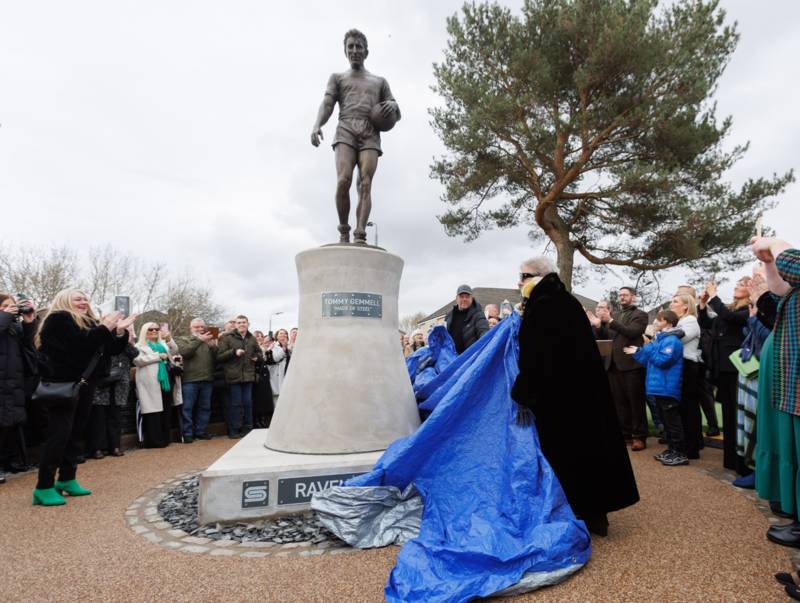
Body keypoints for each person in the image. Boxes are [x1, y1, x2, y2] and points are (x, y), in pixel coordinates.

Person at [511, 257, 639, 536]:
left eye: (523, 275)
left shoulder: (542, 306)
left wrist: (522, 391)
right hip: (584, 391)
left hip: (558, 396)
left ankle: (575, 512)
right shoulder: (566, 301)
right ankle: (597, 513)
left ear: (539, 276)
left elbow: (535, 356)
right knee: (590, 449)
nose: (519, 282)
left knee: (566, 455)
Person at [33, 289, 134, 506]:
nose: (83, 301)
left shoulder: (90, 322)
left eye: (85, 298)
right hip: (63, 383)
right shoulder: (58, 319)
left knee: (76, 432)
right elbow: (80, 346)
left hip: (87, 384)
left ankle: (67, 479)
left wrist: (120, 333)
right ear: (64, 300)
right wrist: (105, 327)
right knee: (59, 433)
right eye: (78, 298)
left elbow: (109, 351)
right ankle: (44, 486)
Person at [311, 29, 401, 244]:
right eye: (350, 46)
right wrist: (317, 124)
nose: (354, 50)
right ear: (345, 51)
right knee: (343, 180)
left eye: (358, 46)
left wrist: (393, 105)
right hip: (346, 129)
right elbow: (327, 104)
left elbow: (396, 112)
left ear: (366, 51)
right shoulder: (338, 78)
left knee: (365, 182)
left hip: (370, 132)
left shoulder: (380, 82)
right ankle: (344, 230)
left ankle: (360, 233)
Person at [698, 277, 751, 472]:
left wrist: (714, 296)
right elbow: (707, 323)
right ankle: (730, 459)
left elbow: (731, 318)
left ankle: (743, 462)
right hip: (722, 369)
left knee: (738, 416)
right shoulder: (728, 308)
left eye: (741, 285)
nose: (736, 286)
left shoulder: (750, 309)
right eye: (736, 284)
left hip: (737, 368)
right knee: (728, 416)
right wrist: (703, 304)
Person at [590, 287, 649, 450]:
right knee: (619, 403)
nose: (622, 297)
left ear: (633, 297)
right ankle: (626, 434)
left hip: (631, 365)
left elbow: (631, 332)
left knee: (635, 402)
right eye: (620, 295)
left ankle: (639, 436)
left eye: (626, 295)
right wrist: (597, 326)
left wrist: (609, 321)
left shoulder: (640, 315)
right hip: (612, 365)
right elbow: (605, 337)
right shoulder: (614, 316)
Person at [627, 310, 687, 466]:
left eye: (658, 320)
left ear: (668, 322)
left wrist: (648, 347)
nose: (655, 323)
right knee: (666, 422)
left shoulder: (672, 341)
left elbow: (663, 361)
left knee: (673, 422)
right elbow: (649, 361)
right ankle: (671, 449)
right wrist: (638, 352)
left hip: (667, 388)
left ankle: (679, 452)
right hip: (658, 387)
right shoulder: (660, 340)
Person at [0, 293, 37, 485]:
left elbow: (29, 345)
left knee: (11, 424)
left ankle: (9, 461)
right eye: (5, 306)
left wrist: (29, 321)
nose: (11, 309)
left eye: (13, 306)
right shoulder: (4, 323)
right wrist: (6, 315)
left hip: (14, 381)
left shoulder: (13, 327)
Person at [87, 326, 138, 458]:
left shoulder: (124, 342)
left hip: (120, 383)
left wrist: (126, 338)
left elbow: (135, 354)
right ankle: (97, 448)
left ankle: (115, 446)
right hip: (101, 382)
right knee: (98, 417)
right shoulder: (99, 338)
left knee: (115, 417)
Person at [134, 322, 183, 448]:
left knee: (166, 409)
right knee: (152, 412)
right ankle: (155, 441)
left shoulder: (162, 344)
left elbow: (174, 351)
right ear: (145, 331)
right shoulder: (139, 346)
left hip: (165, 380)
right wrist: (157, 356)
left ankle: (166, 439)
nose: (154, 331)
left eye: (156, 329)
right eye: (151, 329)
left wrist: (169, 339)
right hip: (150, 383)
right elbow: (137, 360)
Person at [669, 292, 703, 459]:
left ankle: (692, 448)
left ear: (685, 306)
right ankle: (685, 445)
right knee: (682, 407)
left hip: (688, 366)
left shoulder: (690, 320)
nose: (671, 304)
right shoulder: (680, 322)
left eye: (675, 301)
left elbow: (677, 339)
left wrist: (661, 333)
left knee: (689, 407)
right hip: (680, 365)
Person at [217, 315, 262, 438]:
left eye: (244, 322)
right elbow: (219, 356)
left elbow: (259, 353)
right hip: (233, 376)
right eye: (239, 322)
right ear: (235, 325)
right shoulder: (227, 338)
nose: (242, 324)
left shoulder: (252, 338)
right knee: (236, 404)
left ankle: (248, 428)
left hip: (248, 376)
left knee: (248, 403)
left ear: (248, 324)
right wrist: (234, 352)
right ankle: (234, 430)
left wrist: (257, 357)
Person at [177, 318, 217, 442]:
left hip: (207, 379)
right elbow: (185, 352)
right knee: (187, 408)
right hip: (190, 379)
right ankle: (188, 433)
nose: (200, 329)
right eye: (196, 327)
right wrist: (200, 340)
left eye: (202, 327)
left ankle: (200, 431)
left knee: (205, 407)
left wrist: (213, 347)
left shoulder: (209, 340)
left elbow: (218, 358)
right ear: (190, 328)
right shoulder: (183, 339)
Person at [445, 285, 489, 355]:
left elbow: (483, 330)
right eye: (461, 297)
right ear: (456, 298)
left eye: (467, 297)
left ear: (471, 298)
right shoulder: (449, 315)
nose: (464, 299)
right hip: (452, 357)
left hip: (470, 358)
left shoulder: (478, 314)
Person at [267, 328, 290, 408]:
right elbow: (275, 358)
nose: (283, 335)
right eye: (280, 333)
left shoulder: (289, 346)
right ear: (276, 336)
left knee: (286, 396)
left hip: (286, 373)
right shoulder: (273, 346)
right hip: (276, 374)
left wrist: (286, 348)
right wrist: (283, 349)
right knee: (277, 396)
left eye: (285, 333)